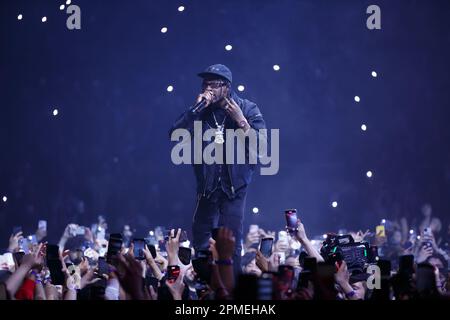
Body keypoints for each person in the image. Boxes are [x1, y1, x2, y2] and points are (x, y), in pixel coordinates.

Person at [170, 64, 266, 275]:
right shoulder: (201, 112)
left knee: (230, 242)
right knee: (201, 242)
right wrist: (193, 112)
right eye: (205, 84)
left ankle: (232, 291)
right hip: (207, 188)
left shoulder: (248, 108)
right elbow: (174, 135)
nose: (209, 89)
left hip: (234, 189)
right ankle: (205, 287)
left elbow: (263, 146)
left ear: (227, 87)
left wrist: (241, 120)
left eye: (214, 84)